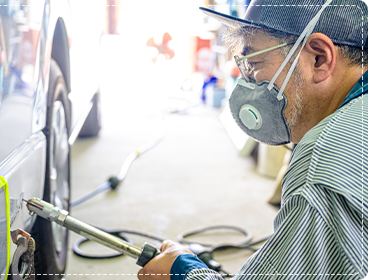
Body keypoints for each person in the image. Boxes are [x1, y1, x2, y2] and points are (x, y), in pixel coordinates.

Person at [137, 0, 368, 279]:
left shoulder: (321, 167)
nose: (247, 79)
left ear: (319, 58)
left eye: (254, 62)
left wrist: (182, 270)